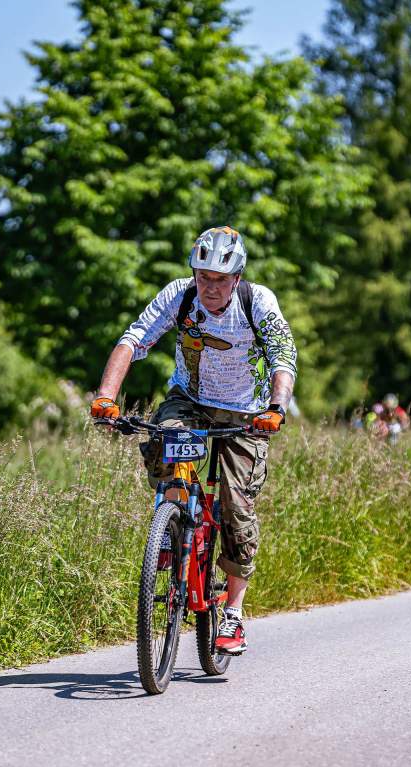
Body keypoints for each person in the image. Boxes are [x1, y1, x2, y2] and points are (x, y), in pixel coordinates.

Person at [90, 226, 297, 655]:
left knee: (237, 506)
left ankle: (234, 613)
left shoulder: (257, 301)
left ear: (237, 278)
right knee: (165, 446)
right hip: (189, 401)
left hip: (246, 413)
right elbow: (133, 340)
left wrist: (276, 408)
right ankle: (172, 526)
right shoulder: (179, 295)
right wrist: (106, 397)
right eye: (204, 277)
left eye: (221, 280)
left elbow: (282, 355)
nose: (211, 288)